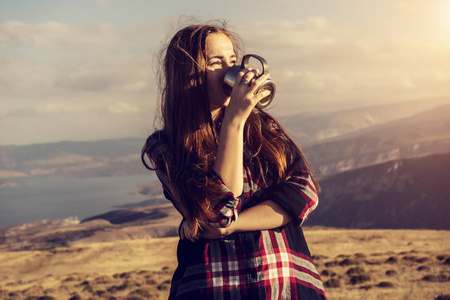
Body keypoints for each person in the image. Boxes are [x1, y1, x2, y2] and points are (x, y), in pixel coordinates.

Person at [142, 21, 326, 300]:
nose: (233, 71)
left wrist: (233, 225)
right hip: (214, 288)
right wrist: (233, 123)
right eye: (217, 62)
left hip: (283, 286)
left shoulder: (265, 129)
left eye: (232, 60)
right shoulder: (165, 147)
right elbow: (218, 211)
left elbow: (305, 193)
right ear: (188, 76)